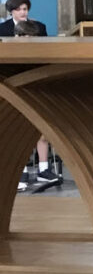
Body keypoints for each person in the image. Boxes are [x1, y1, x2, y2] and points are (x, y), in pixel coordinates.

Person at [11, 20, 60, 189]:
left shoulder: (39, 53)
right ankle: (20, 172)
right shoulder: (10, 53)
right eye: (26, 37)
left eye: (33, 38)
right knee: (19, 136)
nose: (29, 41)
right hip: (15, 97)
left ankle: (44, 169)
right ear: (17, 37)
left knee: (42, 134)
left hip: (35, 95)